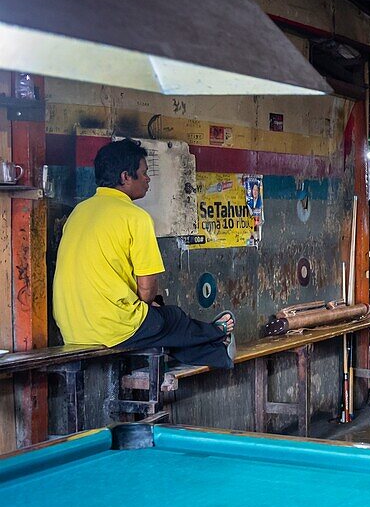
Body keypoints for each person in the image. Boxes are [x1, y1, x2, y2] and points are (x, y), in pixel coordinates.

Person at [53, 139, 235, 368]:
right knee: (174, 319)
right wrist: (149, 305)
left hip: (72, 329)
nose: (148, 179)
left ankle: (219, 353)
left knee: (162, 331)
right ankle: (216, 335)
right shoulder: (134, 217)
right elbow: (147, 288)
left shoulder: (78, 212)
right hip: (113, 327)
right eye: (144, 173)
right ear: (125, 177)